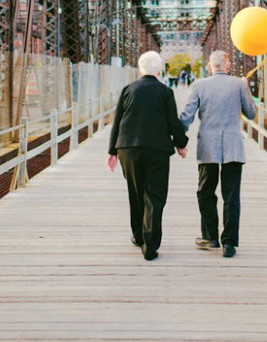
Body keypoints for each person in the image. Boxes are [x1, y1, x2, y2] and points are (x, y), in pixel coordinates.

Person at [107, 51, 188, 261]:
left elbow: (118, 121)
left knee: (135, 192)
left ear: (140, 68)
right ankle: (150, 245)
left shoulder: (128, 89)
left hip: (128, 149)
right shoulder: (165, 92)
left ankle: (138, 235)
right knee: (155, 196)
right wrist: (181, 145)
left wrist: (112, 151)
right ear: (160, 71)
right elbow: (173, 123)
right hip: (156, 150)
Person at [179, 50, 256, 258]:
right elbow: (251, 113)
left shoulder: (199, 85)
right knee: (231, 195)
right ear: (228, 66)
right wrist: (245, 88)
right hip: (233, 146)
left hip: (208, 146)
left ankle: (210, 236)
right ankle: (229, 243)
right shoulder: (239, 85)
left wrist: (178, 139)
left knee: (205, 192)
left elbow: (187, 116)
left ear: (209, 66)